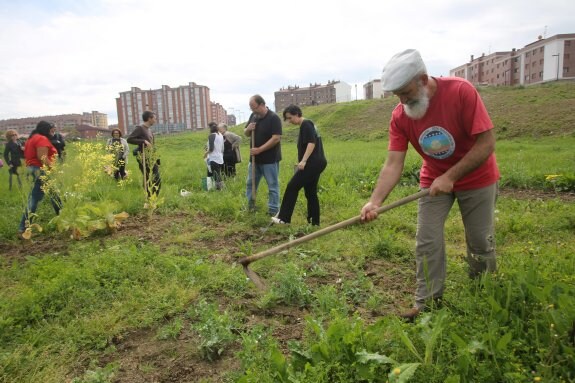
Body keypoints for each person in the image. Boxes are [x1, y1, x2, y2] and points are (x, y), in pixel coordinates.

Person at [360, 49, 500, 321]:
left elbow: (487, 143)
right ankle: (428, 303)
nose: (402, 100)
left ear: (423, 79)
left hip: (477, 177)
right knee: (427, 240)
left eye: (406, 92)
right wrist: (375, 201)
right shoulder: (400, 116)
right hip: (433, 181)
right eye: (397, 95)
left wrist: (451, 176)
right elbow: (393, 164)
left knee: (480, 241)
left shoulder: (461, 92)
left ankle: (483, 294)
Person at [271, 105, 327, 226]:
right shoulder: (307, 124)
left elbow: (311, 143)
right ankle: (314, 222)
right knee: (310, 192)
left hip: (313, 163)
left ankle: (284, 219)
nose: (289, 121)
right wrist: (302, 160)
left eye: (290, 118)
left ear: (297, 114)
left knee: (292, 186)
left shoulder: (306, 124)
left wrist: (304, 161)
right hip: (318, 162)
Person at [18, 121, 63, 236]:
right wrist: (54, 169)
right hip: (40, 169)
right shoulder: (41, 138)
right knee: (35, 198)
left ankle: (62, 218)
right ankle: (23, 227)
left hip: (32, 169)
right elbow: (42, 157)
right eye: (51, 130)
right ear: (45, 129)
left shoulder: (31, 138)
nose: (53, 132)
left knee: (54, 194)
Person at [244, 94, 282, 215]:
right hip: (254, 160)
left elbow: (276, 138)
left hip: (270, 160)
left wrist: (259, 149)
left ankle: (273, 210)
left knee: (272, 185)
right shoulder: (253, 116)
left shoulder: (273, 118)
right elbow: (246, 133)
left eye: (254, 107)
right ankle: (250, 207)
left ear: (262, 105)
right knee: (250, 183)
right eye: (250, 108)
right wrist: (248, 128)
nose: (252, 110)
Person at [127, 111, 161, 197]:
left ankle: (153, 198)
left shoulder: (149, 130)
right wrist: (143, 141)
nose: (155, 120)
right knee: (148, 178)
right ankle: (148, 199)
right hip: (144, 157)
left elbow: (152, 146)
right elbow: (130, 139)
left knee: (156, 178)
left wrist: (157, 159)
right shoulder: (140, 128)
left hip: (151, 157)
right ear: (149, 119)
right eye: (154, 118)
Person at [205, 122, 224, 190]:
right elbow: (222, 148)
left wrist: (205, 154)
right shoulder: (221, 135)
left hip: (213, 158)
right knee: (209, 173)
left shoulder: (211, 135)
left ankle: (220, 189)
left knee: (216, 175)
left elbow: (211, 149)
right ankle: (209, 187)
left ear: (210, 128)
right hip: (220, 158)